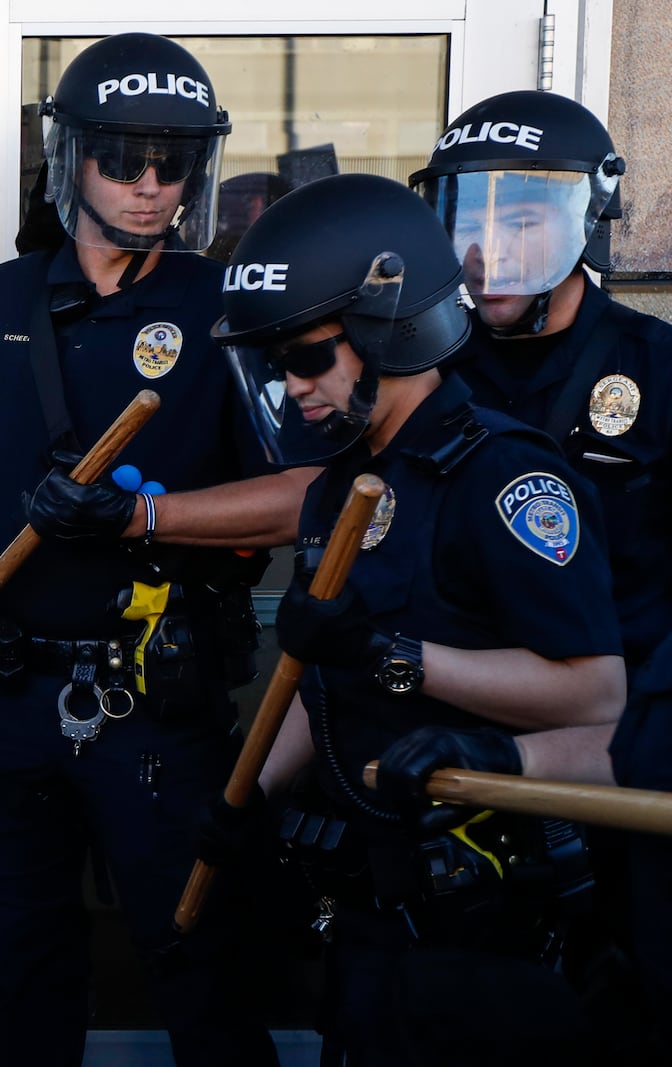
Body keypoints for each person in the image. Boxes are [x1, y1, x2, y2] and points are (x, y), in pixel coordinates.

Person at [0, 33, 279, 1067]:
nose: (148, 185)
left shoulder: (226, 308)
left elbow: (304, 498)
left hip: (157, 708)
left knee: (195, 961)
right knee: (25, 967)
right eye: (122, 157)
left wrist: (145, 519)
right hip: (4, 700)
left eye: (171, 162)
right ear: (68, 157)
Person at [212, 172, 626, 1066]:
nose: (293, 387)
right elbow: (316, 680)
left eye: (308, 357)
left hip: (490, 917)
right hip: (372, 909)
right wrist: (247, 796)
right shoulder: (340, 484)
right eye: (277, 364)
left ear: (385, 330)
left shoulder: (503, 481)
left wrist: (394, 655)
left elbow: (600, 698)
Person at [390, 89, 672, 1057]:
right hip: (445, 766)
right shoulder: (430, 370)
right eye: (464, 220)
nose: (485, 250)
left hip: (620, 773)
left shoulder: (657, 368)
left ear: (582, 221)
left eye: (519, 220)